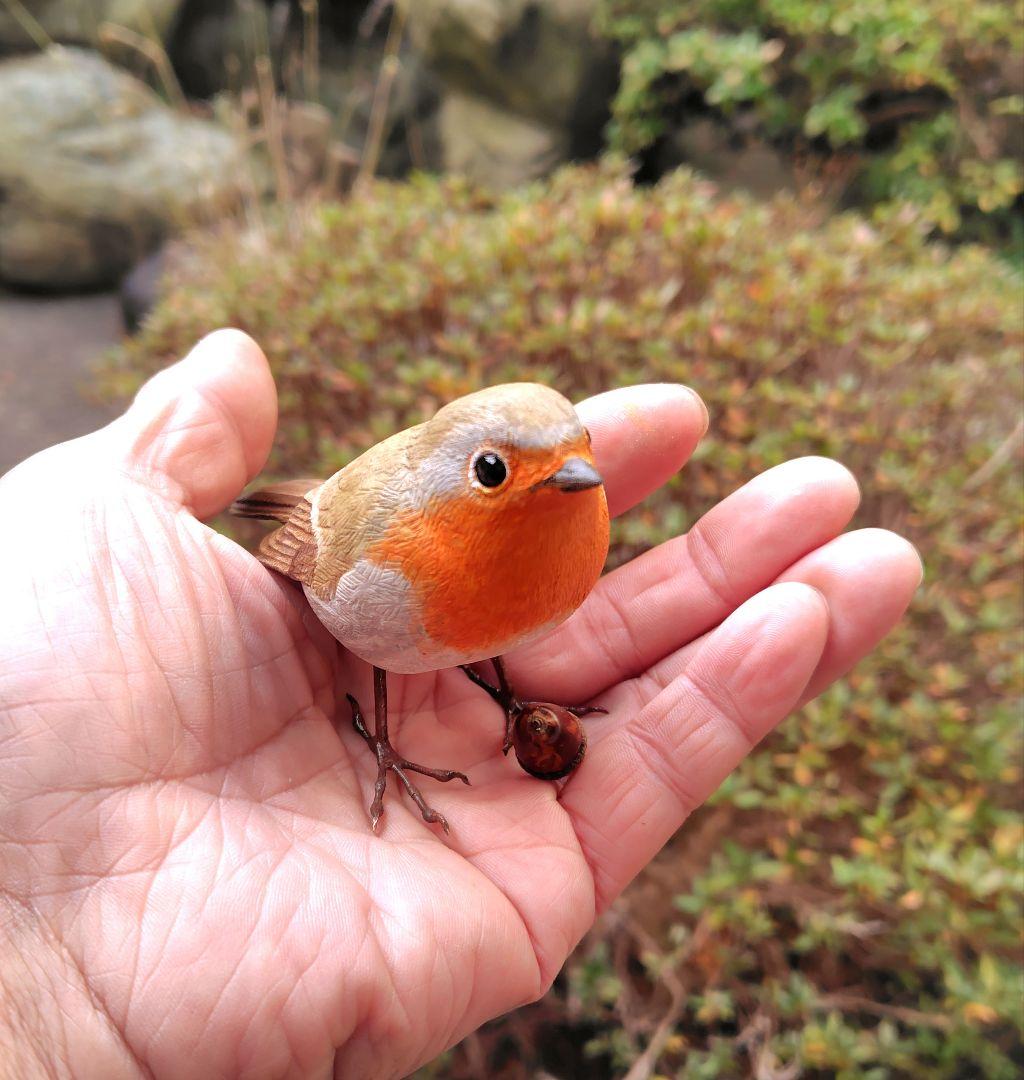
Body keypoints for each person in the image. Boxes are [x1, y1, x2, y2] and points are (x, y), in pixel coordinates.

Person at [0, 330, 921, 1077]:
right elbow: (315, 551)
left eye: (576, 456)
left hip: (496, 608)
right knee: (392, 656)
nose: (572, 477)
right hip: (375, 575)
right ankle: (387, 746)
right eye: (495, 472)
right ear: (460, 478)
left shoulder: (574, 519)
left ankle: (496, 683)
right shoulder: (397, 548)